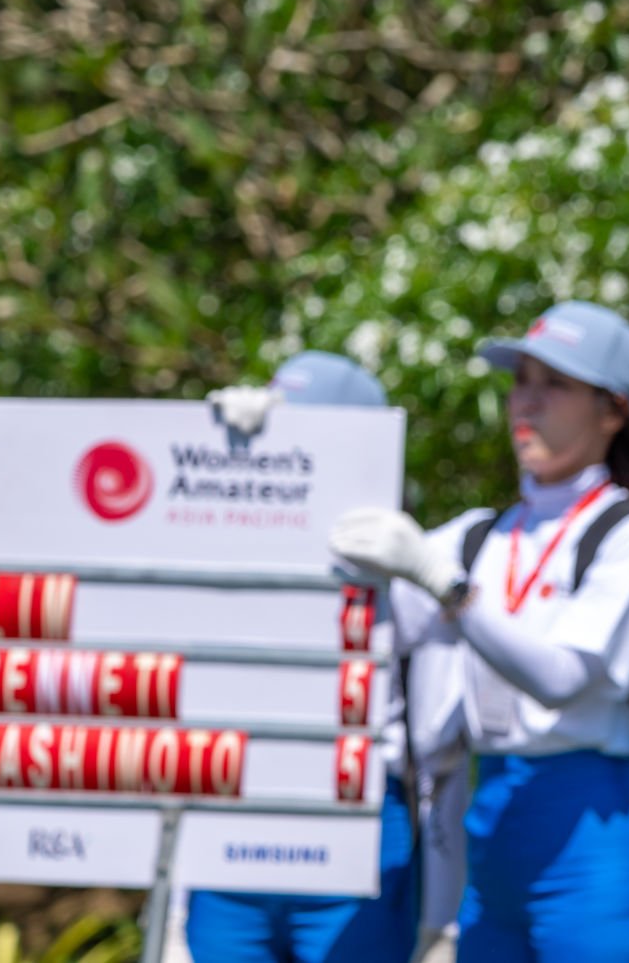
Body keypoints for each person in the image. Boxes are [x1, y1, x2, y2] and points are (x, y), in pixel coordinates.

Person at [330, 300, 629, 963]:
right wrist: (274, 443)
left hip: (596, 830)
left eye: (555, 384)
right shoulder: (476, 532)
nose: (527, 401)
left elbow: (563, 679)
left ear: (614, 410)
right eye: (521, 379)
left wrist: (449, 588)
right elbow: (348, 606)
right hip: (489, 823)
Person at [191, 350, 428, 963]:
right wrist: (208, 449)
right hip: (232, 823)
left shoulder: (405, 553)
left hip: (359, 821)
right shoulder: (228, 541)